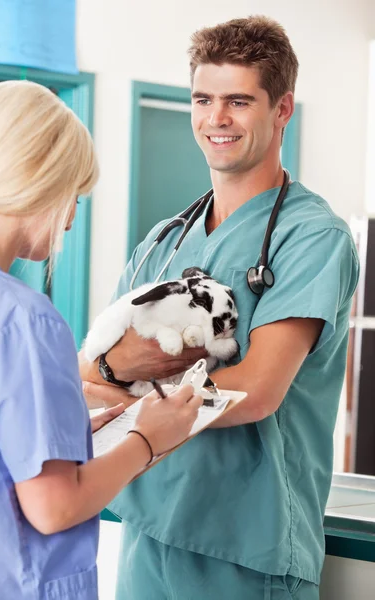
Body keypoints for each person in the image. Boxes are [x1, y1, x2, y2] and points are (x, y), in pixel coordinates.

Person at [80, 15, 360, 600]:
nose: (216, 119)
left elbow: (256, 391)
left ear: (281, 109)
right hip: (147, 534)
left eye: (238, 100)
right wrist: (120, 381)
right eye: (203, 99)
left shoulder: (312, 237)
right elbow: (89, 372)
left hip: (248, 550)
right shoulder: (165, 240)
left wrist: (129, 392)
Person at [0, 80, 203, 600]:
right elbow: (53, 508)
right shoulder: (21, 317)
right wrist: (149, 439)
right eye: (73, 196)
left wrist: (69, 430)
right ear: (37, 177)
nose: (73, 219)